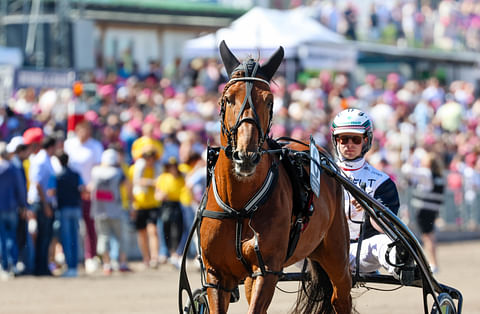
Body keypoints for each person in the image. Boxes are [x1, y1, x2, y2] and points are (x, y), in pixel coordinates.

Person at [331, 108, 400, 275]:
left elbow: (386, 228)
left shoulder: (381, 182)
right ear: (336, 140)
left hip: (359, 251)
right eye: (343, 139)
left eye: (355, 139)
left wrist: (369, 207)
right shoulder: (319, 174)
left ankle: (402, 268)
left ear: (366, 140)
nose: (349, 145)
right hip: (323, 250)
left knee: (384, 242)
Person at [64, 121, 104, 273]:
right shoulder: (69, 145)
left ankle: (90, 256)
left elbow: (97, 168)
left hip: (88, 191)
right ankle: (66, 256)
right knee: (69, 225)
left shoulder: (95, 146)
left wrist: (91, 186)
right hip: (72, 190)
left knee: (90, 225)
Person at [90, 149, 131, 274]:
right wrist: (130, 203)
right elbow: (128, 186)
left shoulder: (95, 171)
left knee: (103, 237)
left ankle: (107, 264)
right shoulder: (118, 172)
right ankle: (122, 263)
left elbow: (91, 187)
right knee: (121, 238)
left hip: (99, 210)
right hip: (116, 209)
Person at [25, 129, 56, 276]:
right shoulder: (41, 159)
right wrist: (45, 205)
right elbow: (37, 183)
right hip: (40, 202)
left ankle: (43, 267)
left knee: (45, 236)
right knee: (43, 236)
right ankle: (40, 268)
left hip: (42, 201)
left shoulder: (44, 159)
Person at [48, 152, 84, 277]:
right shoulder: (76, 174)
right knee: (75, 238)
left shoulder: (56, 176)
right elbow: (82, 188)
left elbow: (51, 192)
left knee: (67, 240)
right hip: (75, 208)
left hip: (63, 209)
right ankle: (75, 267)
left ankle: (70, 267)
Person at [410, 152, 445, 273]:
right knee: (429, 236)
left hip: (424, 210)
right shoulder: (438, 175)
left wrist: (410, 160)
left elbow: (409, 171)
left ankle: (433, 263)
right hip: (432, 210)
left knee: (427, 237)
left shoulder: (426, 173)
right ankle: (432, 262)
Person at [129, 145, 161, 268]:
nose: (150, 160)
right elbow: (132, 185)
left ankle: (154, 257)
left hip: (153, 203)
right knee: (141, 232)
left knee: (153, 230)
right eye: (147, 157)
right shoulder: (135, 169)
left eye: (152, 157)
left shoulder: (157, 169)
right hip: (139, 203)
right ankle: (146, 258)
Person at [0, 142, 27, 279]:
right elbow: (20, 189)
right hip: (11, 207)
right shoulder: (13, 168)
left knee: (2, 239)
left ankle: (4, 266)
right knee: (12, 237)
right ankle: (13, 264)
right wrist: (23, 205)